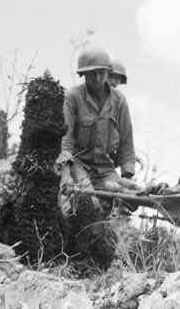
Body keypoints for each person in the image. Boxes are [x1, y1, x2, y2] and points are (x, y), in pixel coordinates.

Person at [56, 48, 141, 213]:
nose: (97, 78)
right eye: (92, 73)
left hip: (105, 168)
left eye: (101, 73)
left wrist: (126, 176)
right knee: (89, 202)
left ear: (108, 72)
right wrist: (65, 173)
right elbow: (65, 140)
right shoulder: (73, 97)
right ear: (83, 74)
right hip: (79, 164)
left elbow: (126, 143)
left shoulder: (119, 101)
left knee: (130, 198)